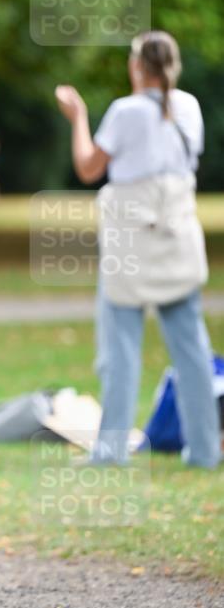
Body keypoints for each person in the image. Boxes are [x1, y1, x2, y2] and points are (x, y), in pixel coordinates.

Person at [55, 30, 220, 468]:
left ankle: (111, 451)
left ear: (136, 67)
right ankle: (204, 451)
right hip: (177, 239)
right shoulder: (189, 106)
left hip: (132, 244)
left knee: (120, 352)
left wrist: (78, 117)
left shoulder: (125, 111)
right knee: (192, 350)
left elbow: (88, 167)